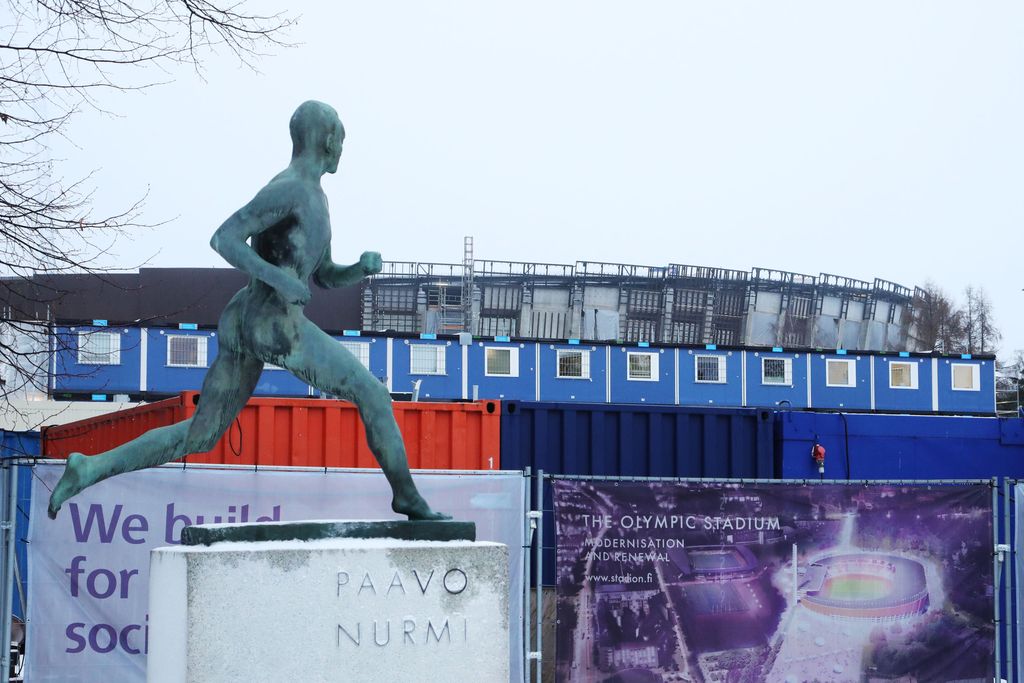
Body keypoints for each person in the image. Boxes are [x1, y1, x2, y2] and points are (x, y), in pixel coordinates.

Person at [48, 100, 448, 521]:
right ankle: (406, 497)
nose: (343, 149)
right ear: (329, 139)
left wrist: (358, 271)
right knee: (372, 394)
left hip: (245, 320)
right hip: (274, 322)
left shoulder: (315, 199)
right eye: (342, 139)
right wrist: (280, 280)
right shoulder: (290, 188)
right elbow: (225, 238)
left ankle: (89, 466)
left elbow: (324, 276)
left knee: (201, 434)